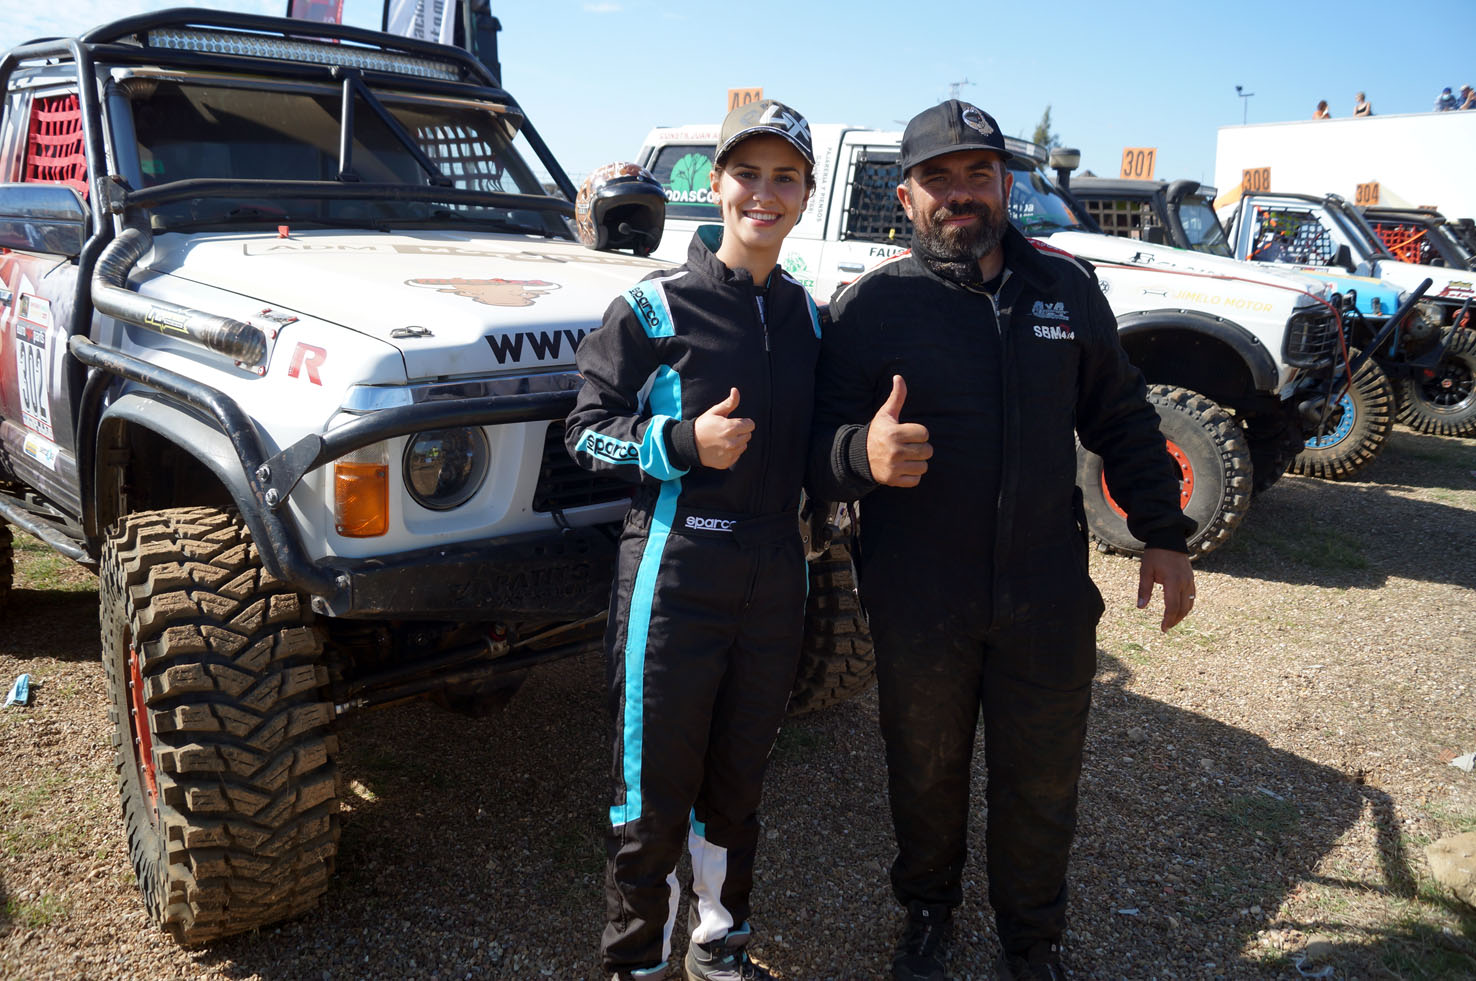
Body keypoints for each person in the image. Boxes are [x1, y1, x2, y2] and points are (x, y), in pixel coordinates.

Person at [807, 100, 1196, 981]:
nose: (959, 194)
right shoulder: (872, 307)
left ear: (1005, 184)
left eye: (976, 173)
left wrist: (1163, 535)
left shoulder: (1065, 290)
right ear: (904, 196)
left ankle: (1033, 940)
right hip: (918, 594)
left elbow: (1123, 418)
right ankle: (929, 914)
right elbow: (815, 449)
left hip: (1046, 591)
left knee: (1042, 780)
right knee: (926, 768)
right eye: (938, 178)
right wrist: (858, 455)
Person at [566, 98, 820, 981]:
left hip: (775, 576)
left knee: (739, 784)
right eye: (747, 173)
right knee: (652, 795)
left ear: (806, 194)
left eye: (784, 176)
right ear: (714, 185)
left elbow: (821, 445)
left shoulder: (807, 316)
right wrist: (680, 445)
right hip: (674, 574)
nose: (764, 192)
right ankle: (635, 963)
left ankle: (720, 948)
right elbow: (584, 432)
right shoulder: (652, 307)